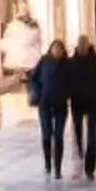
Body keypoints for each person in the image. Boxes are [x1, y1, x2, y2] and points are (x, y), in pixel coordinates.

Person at [61, 36, 96, 180]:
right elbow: (65, 81)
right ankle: (79, 161)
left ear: (88, 46)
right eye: (80, 45)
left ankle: (90, 167)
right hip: (77, 102)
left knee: (92, 135)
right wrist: (69, 93)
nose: (82, 47)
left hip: (92, 102)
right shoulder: (71, 62)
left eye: (84, 44)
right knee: (77, 134)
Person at [28, 41, 68, 178]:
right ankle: (47, 164)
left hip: (61, 104)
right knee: (46, 135)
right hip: (45, 103)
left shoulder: (67, 64)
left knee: (58, 136)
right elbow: (33, 78)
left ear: (63, 51)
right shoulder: (44, 61)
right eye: (54, 49)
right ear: (50, 50)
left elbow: (73, 82)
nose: (57, 51)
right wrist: (38, 93)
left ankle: (58, 168)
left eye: (59, 49)